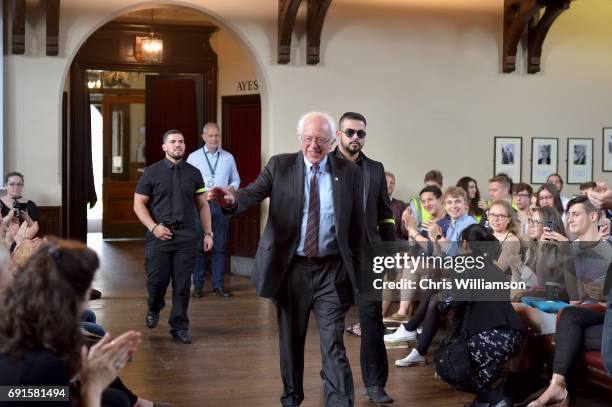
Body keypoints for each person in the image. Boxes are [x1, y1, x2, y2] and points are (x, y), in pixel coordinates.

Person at [208, 112, 364, 407]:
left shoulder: (349, 172)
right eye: (308, 139)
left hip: (332, 271)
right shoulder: (281, 165)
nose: (313, 146)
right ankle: (291, 398)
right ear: (300, 139)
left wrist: (362, 275)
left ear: (332, 142)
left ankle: (339, 402)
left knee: (333, 342)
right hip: (291, 269)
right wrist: (231, 200)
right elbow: (252, 193)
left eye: (320, 140)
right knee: (291, 342)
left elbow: (357, 226)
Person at [0, 238, 142, 407]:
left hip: (12, 393)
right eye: (9, 269)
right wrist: (92, 388)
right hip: (14, 393)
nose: (13, 277)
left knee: (116, 398)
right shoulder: (43, 365)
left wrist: (81, 381)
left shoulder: (12, 324)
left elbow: (15, 391)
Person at [333, 112, 396, 405]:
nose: (355, 138)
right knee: (331, 323)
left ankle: (375, 385)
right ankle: (333, 381)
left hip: (368, 256)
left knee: (372, 322)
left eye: (361, 133)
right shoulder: (326, 164)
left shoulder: (374, 169)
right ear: (339, 134)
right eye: (350, 132)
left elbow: (386, 216)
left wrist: (390, 254)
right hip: (332, 256)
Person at [133, 129, 213, 344]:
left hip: (186, 235)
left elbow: (203, 205)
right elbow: (138, 204)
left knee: (182, 284)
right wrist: (153, 227)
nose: (178, 145)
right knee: (157, 281)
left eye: (181, 141)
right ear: (164, 147)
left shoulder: (194, 173)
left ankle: (179, 326)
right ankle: (155, 305)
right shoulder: (151, 172)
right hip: (159, 234)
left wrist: (208, 232)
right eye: (173, 142)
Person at [385, 187, 477, 366]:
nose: (453, 206)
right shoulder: (452, 223)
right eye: (450, 202)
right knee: (432, 284)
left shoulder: (469, 224)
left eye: (457, 202)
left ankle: (416, 342)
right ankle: (411, 332)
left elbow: (460, 255)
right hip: (454, 275)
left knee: (435, 297)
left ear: (465, 204)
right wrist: (435, 240)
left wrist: (438, 236)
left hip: (469, 279)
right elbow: (442, 256)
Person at [452, 225, 526, 407]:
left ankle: (499, 400)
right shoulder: (496, 270)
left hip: (488, 337)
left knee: (452, 367)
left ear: (464, 243)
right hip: (515, 336)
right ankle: (484, 402)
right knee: (482, 375)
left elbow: (452, 304)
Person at [187, 122, 240, 298]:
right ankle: (199, 286)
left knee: (219, 247)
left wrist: (230, 189)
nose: (214, 139)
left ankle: (218, 285)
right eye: (210, 136)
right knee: (199, 247)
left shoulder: (228, 158)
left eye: (216, 135)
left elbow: (236, 180)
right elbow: (186, 182)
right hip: (201, 206)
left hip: (221, 206)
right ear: (203, 137)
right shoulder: (193, 157)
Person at [385, 171, 407, 241]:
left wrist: (405, 222)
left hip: (397, 244)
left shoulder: (401, 205)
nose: (389, 185)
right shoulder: (371, 204)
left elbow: (405, 233)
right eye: (385, 182)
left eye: (391, 183)